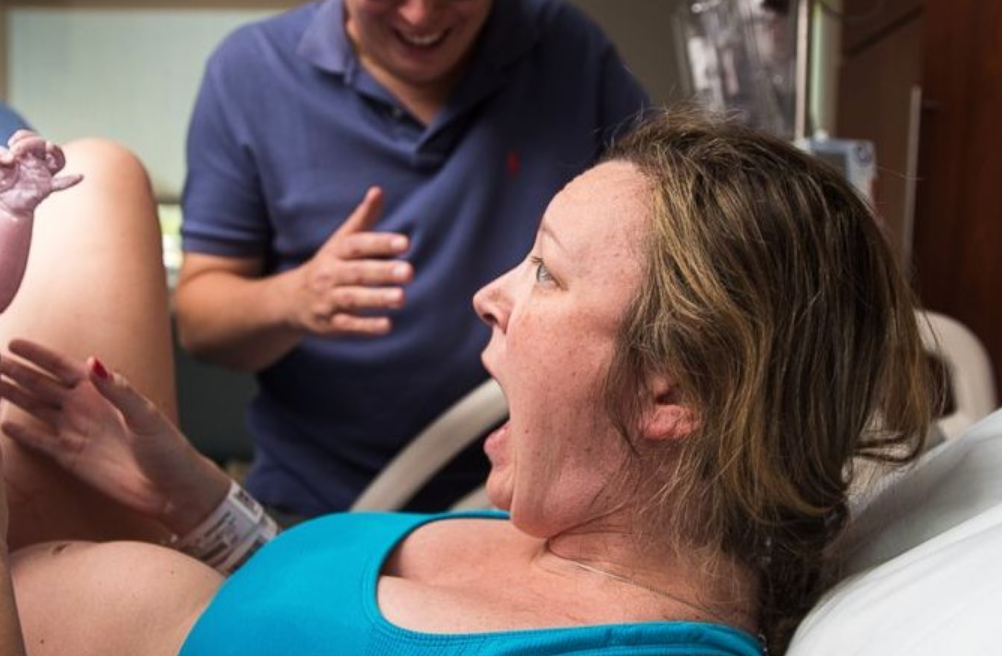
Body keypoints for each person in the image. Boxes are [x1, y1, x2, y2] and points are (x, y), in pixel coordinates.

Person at [1, 108, 937, 656]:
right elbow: (323, 616)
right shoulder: (568, 529)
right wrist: (196, 502)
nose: (489, 294)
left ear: (670, 394)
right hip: (149, 558)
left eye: (545, 271)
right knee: (96, 174)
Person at [175, 0, 651, 518]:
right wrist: (296, 299)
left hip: (546, 482)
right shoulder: (250, 72)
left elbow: (662, 231)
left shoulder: (566, 48)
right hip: (322, 499)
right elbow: (201, 322)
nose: (422, 16)